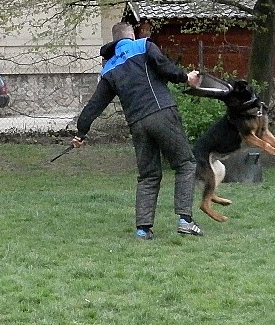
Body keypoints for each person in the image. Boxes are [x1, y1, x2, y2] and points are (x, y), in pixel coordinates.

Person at [72, 21, 203, 239]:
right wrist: (185, 77)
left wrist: (81, 132)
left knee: (148, 175)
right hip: (161, 111)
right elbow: (163, 65)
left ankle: (143, 229)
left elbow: (95, 104)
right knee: (185, 164)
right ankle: (185, 220)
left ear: (114, 41)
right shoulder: (143, 45)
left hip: (137, 124)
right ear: (131, 35)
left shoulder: (109, 69)